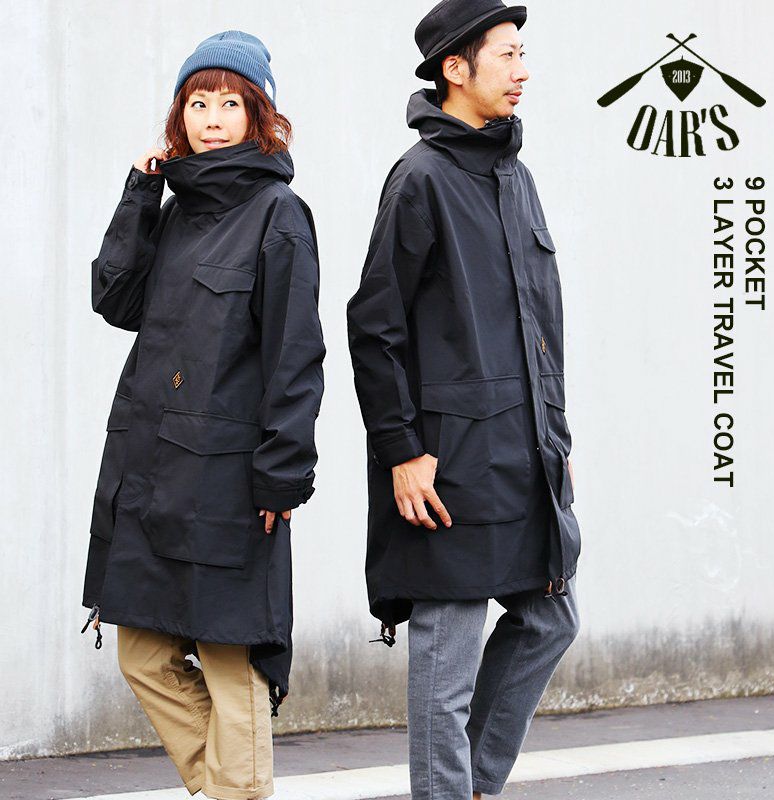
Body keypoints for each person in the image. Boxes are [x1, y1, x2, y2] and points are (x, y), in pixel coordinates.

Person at [80, 31, 325, 800]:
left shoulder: (279, 215)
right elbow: (115, 298)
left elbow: (296, 357)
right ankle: (229, 787)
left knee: (229, 656)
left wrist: (282, 475)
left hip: (228, 484)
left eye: (228, 103)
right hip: (153, 473)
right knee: (142, 654)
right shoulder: (176, 211)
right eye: (197, 102)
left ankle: (233, 790)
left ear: (259, 116)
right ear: (179, 115)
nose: (211, 119)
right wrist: (140, 193)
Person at [346, 1, 581, 797]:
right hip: (446, 465)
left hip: (522, 453)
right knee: (445, 659)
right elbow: (374, 326)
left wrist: (556, 442)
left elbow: (539, 327)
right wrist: (402, 452)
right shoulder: (421, 179)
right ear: (456, 68)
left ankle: (471, 783)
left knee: (550, 616)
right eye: (506, 55)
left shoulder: (515, 177)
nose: (522, 71)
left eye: (523, 54)